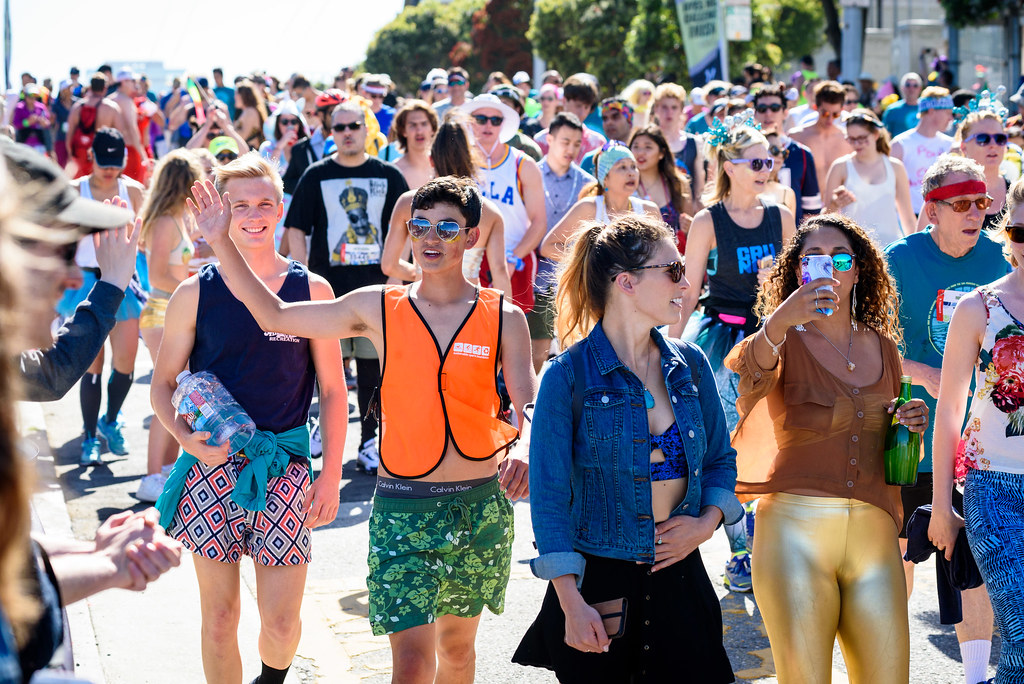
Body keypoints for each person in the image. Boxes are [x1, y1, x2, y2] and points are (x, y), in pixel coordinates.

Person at [189, 173, 534, 684]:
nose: (431, 238)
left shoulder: (504, 316)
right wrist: (221, 240)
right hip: (403, 507)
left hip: (478, 506)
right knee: (412, 665)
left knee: (458, 652)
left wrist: (524, 446)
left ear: (471, 236)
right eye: (420, 226)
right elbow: (275, 314)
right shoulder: (378, 305)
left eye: (446, 227)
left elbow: (528, 401)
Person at [513, 213, 739, 682]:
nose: (687, 282)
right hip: (599, 590)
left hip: (684, 581)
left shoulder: (691, 364)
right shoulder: (566, 375)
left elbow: (720, 459)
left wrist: (705, 524)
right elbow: (549, 500)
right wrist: (570, 603)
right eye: (673, 270)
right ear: (627, 282)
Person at [152, 154, 345, 684]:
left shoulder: (312, 290)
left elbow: (333, 390)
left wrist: (330, 475)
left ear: (280, 209)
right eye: (240, 205)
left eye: (264, 203)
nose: (253, 215)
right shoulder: (195, 292)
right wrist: (185, 440)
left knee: (281, 625)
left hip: (285, 468)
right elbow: (162, 385)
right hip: (210, 468)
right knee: (219, 621)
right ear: (220, 212)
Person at [726, 213, 928, 683]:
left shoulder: (885, 347)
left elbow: (902, 457)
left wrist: (910, 426)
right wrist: (782, 318)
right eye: (813, 258)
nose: (828, 267)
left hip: (875, 539)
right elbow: (750, 375)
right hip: (793, 534)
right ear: (798, 271)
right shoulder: (780, 340)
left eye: (840, 258)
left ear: (858, 270)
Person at [885, 155, 1005, 684]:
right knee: (898, 558)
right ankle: (889, 668)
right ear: (931, 210)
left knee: (972, 561)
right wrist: (925, 373)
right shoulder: (898, 260)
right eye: (961, 204)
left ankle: (976, 677)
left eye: (982, 202)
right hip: (908, 432)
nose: (975, 213)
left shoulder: (1003, 257)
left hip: (980, 439)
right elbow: (867, 344)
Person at [930, 178, 1024, 684]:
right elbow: (949, 412)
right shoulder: (978, 308)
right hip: (993, 490)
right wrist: (942, 505)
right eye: (1021, 231)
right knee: (1022, 635)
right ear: (1007, 234)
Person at [284, 100, 409, 474]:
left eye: (354, 125)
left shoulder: (388, 175)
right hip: (328, 290)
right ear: (331, 133)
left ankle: (369, 441)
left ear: (366, 129)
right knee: (326, 367)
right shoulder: (315, 175)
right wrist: (302, 276)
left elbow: (408, 228)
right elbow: (295, 228)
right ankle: (319, 430)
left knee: (373, 370)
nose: (347, 133)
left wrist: (396, 275)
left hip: (377, 289)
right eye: (339, 127)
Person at [55, 128, 146, 466]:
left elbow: (143, 240)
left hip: (122, 284)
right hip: (84, 284)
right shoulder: (72, 190)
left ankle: (111, 419)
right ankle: (90, 436)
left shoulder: (133, 191)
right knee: (91, 366)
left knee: (126, 364)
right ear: (91, 156)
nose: (109, 170)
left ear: (124, 159)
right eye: (103, 162)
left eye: (115, 163)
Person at [135, 150, 204, 503]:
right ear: (185, 183)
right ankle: (151, 476)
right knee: (168, 395)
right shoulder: (165, 221)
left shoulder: (175, 218)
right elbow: (157, 274)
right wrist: (195, 286)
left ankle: (162, 472)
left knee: (179, 397)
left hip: (171, 312)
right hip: (162, 312)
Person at [381, 117, 512, 294]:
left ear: (431, 160)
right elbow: (500, 272)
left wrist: (424, 269)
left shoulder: (408, 202)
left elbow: (389, 265)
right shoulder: (490, 211)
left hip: (423, 301)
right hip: (470, 302)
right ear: (471, 159)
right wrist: (507, 310)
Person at [463, 93, 546, 315]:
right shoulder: (460, 163)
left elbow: (539, 223)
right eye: (481, 119)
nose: (488, 125)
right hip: (469, 259)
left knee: (510, 327)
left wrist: (513, 257)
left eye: (496, 120)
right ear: (470, 122)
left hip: (514, 258)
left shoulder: (523, 164)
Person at [540, 143, 660, 260]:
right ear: (605, 178)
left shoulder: (649, 211)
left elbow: (664, 252)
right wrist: (588, 265)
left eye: (633, 166)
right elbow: (548, 246)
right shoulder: (588, 208)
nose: (631, 173)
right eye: (622, 167)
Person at [823, 109, 917, 246]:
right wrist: (834, 205)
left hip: (890, 247)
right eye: (851, 139)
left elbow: (908, 218)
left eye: (862, 138)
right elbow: (825, 218)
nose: (856, 144)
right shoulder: (840, 167)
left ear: (876, 135)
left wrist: (914, 249)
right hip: (854, 248)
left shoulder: (895, 167)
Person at [752, 81, 822, 226]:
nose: (768, 113)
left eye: (775, 108)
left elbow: (811, 212)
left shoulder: (802, 153)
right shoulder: (744, 153)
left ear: (785, 112)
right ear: (755, 113)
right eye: (762, 108)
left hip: (792, 235)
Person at [891, 86, 955, 216]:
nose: (951, 118)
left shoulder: (950, 144)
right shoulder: (900, 144)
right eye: (948, 113)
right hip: (905, 217)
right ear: (931, 111)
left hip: (939, 216)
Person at [628, 125, 693, 250]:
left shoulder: (678, 184)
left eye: (648, 147)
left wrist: (689, 226)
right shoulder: (625, 185)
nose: (640, 152)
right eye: (636, 147)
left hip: (674, 256)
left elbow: (690, 228)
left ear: (662, 153)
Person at [952, 109, 1011, 231]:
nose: (993, 144)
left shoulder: (1017, 193)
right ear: (964, 147)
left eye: (999, 138)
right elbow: (923, 239)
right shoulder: (945, 191)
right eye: (983, 139)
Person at [790, 81, 852, 193]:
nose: (830, 119)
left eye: (836, 114)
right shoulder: (797, 136)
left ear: (842, 110)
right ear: (815, 107)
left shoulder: (848, 139)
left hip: (837, 202)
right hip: (806, 201)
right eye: (825, 113)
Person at [651, 83, 706, 204]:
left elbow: (699, 188)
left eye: (674, 107)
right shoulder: (649, 141)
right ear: (656, 109)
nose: (669, 112)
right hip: (657, 208)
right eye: (664, 107)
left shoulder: (694, 142)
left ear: (681, 110)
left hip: (687, 208)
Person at [534, 77, 606, 163]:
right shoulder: (541, 141)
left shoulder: (598, 143)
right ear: (564, 101)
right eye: (578, 106)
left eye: (586, 107)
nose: (582, 112)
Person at [106, 70, 148, 183]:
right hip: (128, 151)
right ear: (124, 82)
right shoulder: (126, 101)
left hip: (110, 151)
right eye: (133, 81)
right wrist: (143, 155)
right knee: (131, 186)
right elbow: (132, 129)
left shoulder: (108, 99)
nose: (136, 84)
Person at [579, 97, 634, 175]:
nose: (609, 122)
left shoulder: (640, 158)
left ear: (629, 121)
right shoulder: (591, 160)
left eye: (615, 117)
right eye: (605, 119)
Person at [392, 100, 439, 190]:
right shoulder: (395, 171)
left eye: (424, 124)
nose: (419, 131)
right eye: (413, 125)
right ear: (403, 131)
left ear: (432, 129)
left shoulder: (442, 167)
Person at [761, 132, 797, 215]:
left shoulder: (787, 193)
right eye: (775, 150)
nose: (780, 155)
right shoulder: (747, 188)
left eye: (783, 152)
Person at [883, 73, 924, 137]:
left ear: (920, 88)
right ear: (902, 88)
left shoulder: (926, 109)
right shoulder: (892, 110)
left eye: (915, 85)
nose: (911, 88)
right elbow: (885, 134)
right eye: (908, 85)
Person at [234, 79, 268, 149]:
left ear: (243, 96)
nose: (234, 97)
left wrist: (228, 128)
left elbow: (243, 136)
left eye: (237, 94)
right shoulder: (248, 111)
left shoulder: (250, 111)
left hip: (251, 150)